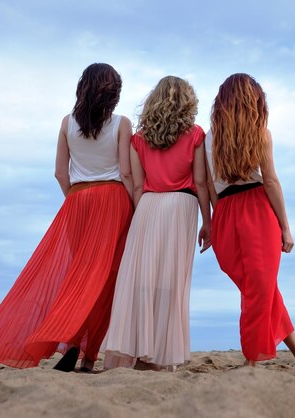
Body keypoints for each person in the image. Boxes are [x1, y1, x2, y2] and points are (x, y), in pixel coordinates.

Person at [0, 63, 134, 372]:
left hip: (77, 200)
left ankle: (74, 343)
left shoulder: (67, 123)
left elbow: (59, 173)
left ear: (82, 88)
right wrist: (131, 206)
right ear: (114, 92)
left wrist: (74, 200)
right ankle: (86, 354)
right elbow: (127, 172)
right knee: (103, 281)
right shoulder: (122, 124)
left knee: (80, 275)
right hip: (113, 200)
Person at [205, 73, 295, 370]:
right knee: (260, 289)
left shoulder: (208, 139)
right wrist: (285, 226)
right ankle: (254, 359)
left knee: (261, 289)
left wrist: (217, 220)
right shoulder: (261, 133)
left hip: (225, 212)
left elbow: (207, 185)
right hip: (257, 210)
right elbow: (270, 182)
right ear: (253, 101)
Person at [102, 76, 211, 371]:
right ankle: (161, 357)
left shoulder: (139, 139)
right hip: (181, 206)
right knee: (171, 282)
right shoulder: (195, 134)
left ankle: (137, 351)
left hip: (148, 207)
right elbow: (200, 182)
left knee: (142, 280)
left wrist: (142, 217)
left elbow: (137, 187)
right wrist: (208, 221)